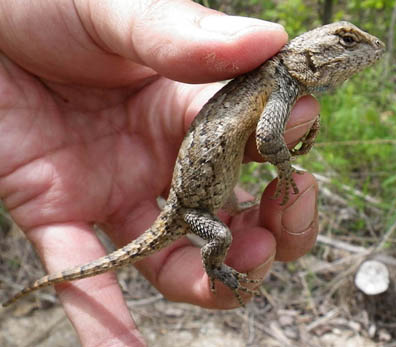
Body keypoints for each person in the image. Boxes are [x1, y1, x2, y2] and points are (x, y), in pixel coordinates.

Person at [0, 1, 319, 346]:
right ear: (310, 55)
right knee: (223, 238)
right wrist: (285, 169)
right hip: (189, 212)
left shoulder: (284, 82)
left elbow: (270, 132)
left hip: (202, 188)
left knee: (239, 219)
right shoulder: (277, 75)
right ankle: (213, 268)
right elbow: (268, 136)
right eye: (345, 40)